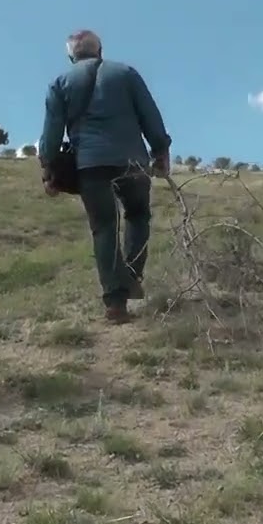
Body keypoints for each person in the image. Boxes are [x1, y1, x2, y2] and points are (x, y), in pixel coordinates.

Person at [38, 29, 172, 325]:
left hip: (90, 164)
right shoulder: (126, 73)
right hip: (132, 161)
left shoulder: (60, 83)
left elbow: (51, 133)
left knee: (104, 228)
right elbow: (150, 115)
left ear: (71, 56)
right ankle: (132, 275)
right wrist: (161, 151)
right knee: (138, 215)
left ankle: (115, 303)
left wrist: (48, 169)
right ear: (100, 50)